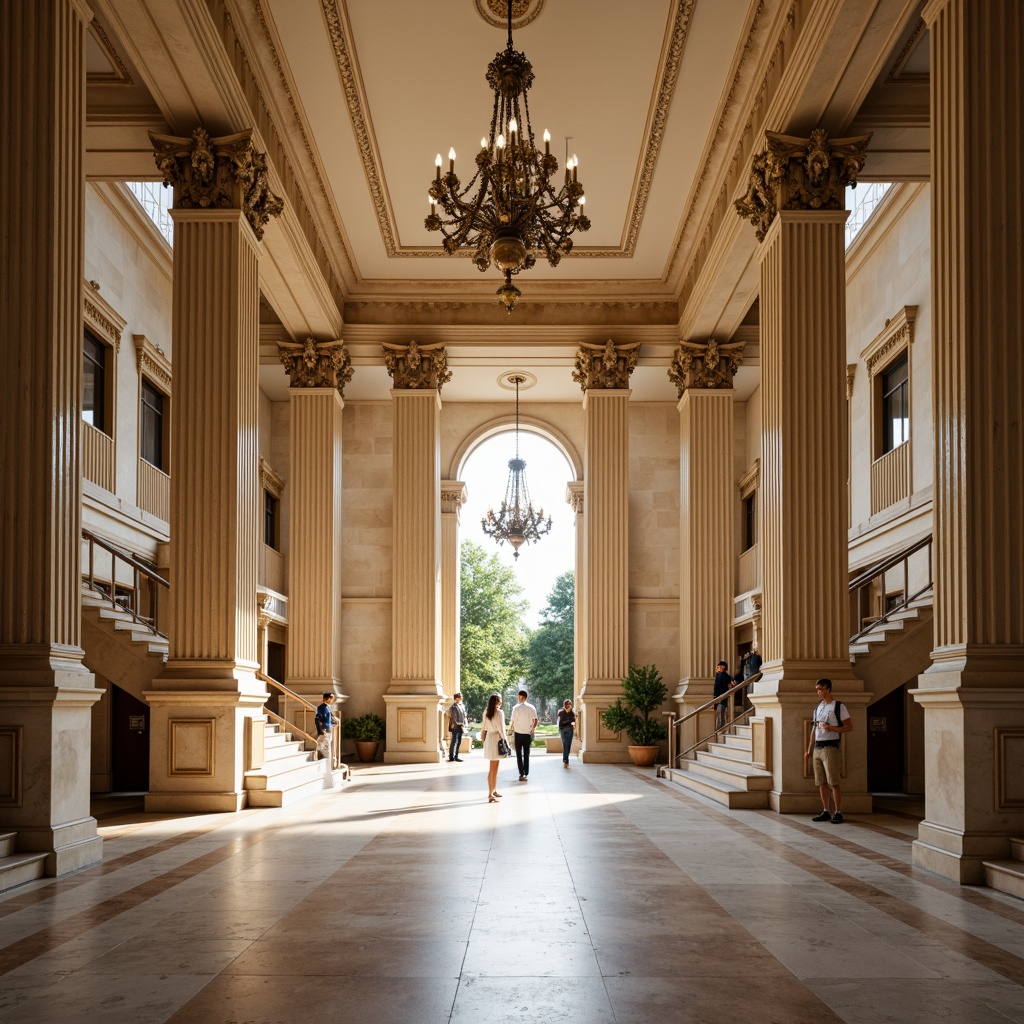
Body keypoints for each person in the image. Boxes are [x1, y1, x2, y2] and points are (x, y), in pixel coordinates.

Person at [804, 678, 852, 823]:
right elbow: (814, 730)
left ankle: (838, 811)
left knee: (833, 781)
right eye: (817, 689)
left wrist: (830, 728)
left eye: (821, 689)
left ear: (828, 689)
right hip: (818, 747)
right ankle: (826, 810)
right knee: (821, 782)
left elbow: (849, 727)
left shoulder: (838, 706)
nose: (818, 692)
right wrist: (809, 750)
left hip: (831, 746)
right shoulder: (818, 708)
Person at [481, 693, 507, 803]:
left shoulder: (486, 712)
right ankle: (490, 794)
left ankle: (493, 790)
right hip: (496, 739)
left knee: (493, 768)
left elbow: (483, 728)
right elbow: (502, 729)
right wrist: (505, 741)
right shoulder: (500, 713)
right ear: (497, 702)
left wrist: (483, 741)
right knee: (494, 768)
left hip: (489, 739)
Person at [509, 689, 538, 781]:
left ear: (521, 697)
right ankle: (526, 772)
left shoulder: (515, 708)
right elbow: (536, 720)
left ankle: (521, 773)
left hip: (518, 733)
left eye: (519, 696)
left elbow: (513, 721)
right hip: (527, 733)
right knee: (526, 753)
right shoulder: (531, 707)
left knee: (518, 754)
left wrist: (511, 730)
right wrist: (532, 728)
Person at [314, 692, 337, 765]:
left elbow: (328, 719)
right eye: (332, 698)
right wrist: (324, 729)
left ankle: (326, 764)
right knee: (324, 747)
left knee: (324, 746)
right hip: (325, 730)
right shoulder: (322, 708)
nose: (333, 700)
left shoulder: (326, 707)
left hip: (327, 730)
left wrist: (333, 724)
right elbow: (322, 719)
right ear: (329, 698)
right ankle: (327, 765)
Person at [446, 692, 468, 762]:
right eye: (460, 696)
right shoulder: (453, 706)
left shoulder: (462, 705)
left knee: (459, 741)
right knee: (454, 741)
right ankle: (451, 756)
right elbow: (449, 714)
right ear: (457, 698)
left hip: (461, 725)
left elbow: (464, 716)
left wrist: (465, 723)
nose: (461, 697)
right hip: (455, 725)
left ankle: (456, 756)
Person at [556, 699, 576, 767]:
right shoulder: (561, 712)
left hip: (570, 730)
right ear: (564, 705)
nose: (568, 705)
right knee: (565, 744)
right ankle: (566, 760)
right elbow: (561, 722)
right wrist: (566, 713)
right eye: (566, 704)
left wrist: (573, 723)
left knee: (568, 745)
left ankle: (565, 759)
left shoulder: (572, 713)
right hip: (562, 730)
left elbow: (573, 721)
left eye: (569, 704)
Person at [713, 660, 732, 732]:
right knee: (720, 715)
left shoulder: (723, 676)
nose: (717, 668)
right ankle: (720, 730)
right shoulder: (720, 675)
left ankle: (720, 730)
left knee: (720, 714)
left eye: (718, 666)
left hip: (721, 698)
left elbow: (720, 687)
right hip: (720, 698)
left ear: (723, 667)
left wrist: (717, 697)